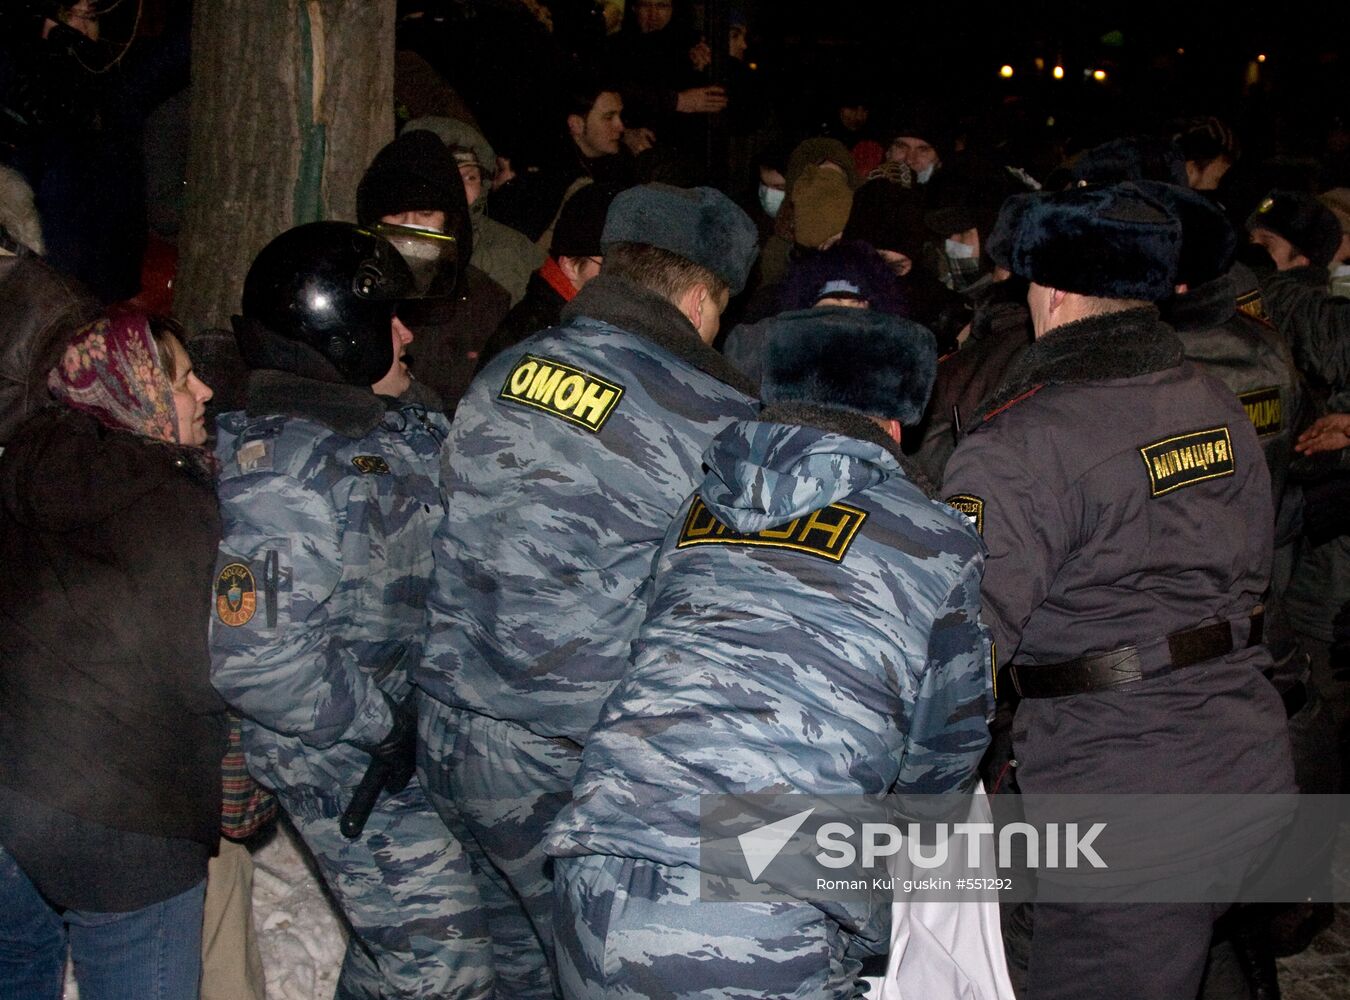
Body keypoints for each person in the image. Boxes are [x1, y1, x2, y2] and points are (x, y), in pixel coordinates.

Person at [545, 306, 992, 999]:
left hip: (595, 869)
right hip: (763, 906)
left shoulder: (695, 510)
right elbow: (939, 770)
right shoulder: (935, 541)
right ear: (896, 425)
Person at [942, 182, 1296, 1000]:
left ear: (1054, 292)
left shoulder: (1020, 444)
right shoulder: (1214, 402)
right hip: (1241, 757)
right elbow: (1255, 567)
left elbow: (960, 656)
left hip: (1120, 788)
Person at [417, 183, 761, 998]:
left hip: (448, 721)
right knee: (592, 971)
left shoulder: (511, 365)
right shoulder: (709, 418)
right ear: (699, 300)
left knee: (507, 965)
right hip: (563, 760)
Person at [208, 222, 492, 1000]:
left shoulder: (384, 423)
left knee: (398, 950)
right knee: (444, 961)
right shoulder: (282, 473)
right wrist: (380, 724)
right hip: (333, 749)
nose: (407, 335)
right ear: (337, 333)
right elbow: (262, 662)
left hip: (398, 732)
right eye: (387, 320)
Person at [0, 311, 225, 1000]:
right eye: (182, 380)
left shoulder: (25, 463)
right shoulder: (168, 501)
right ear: (137, 392)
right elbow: (201, 672)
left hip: (15, 791)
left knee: (18, 967)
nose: (205, 392)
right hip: (129, 824)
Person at [356, 128, 510, 414]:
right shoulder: (355, 289)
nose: (411, 226)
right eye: (397, 215)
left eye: (426, 214)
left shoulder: (486, 300)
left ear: (449, 221)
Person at [475, 180, 620, 373]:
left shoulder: (583, 318)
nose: (625, 278)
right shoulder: (535, 337)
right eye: (611, 266)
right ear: (570, 266)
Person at [403, 115, 547, 306]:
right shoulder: (391, 235)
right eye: (446, 176)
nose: (459, 188)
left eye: (470, 177)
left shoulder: (512, 248)